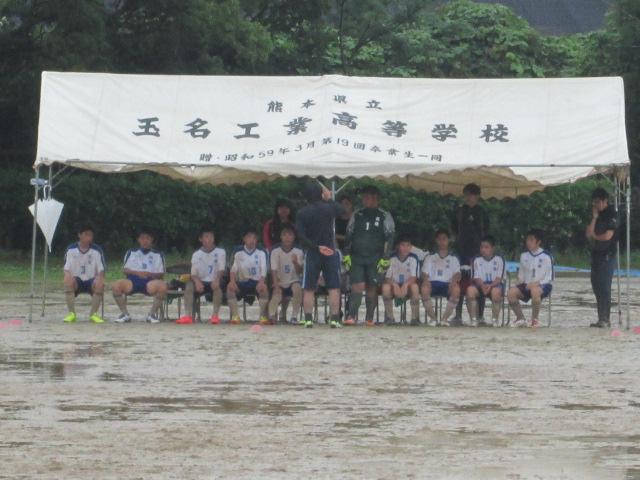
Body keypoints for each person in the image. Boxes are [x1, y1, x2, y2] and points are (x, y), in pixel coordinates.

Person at [296, 180, 346, 328]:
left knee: (309, 288)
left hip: (313, 252)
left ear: (305, 198)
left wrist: (316, 247)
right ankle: (334, 319)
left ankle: (308, 319)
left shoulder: (302, 212)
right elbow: (342, 210)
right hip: (330, 251)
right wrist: (329, 198)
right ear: (320, 194)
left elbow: (301, 236)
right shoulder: (328, 208)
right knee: (333, 287)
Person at [344, 185, 395, 326]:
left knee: (372, 286)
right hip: (357, 256)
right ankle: (351, 315)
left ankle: (369, 317)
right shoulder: (357, 214)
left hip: (375, 257)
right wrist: (346, 254)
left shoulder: (384, 215)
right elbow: (349, 234)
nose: (364, 200)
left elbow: (390, 236)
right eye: (363, 197)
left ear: (375, 198)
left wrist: (386, 257)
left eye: (366, 197)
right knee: (357, 284)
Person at [451, 183, 490, 324]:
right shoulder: (459, 212)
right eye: (466, 194)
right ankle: (458, 315)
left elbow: (487, 232)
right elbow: (454, 230)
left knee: (479, 282)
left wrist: (484, 250)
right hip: (461, 252)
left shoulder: (482, 213)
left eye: (471, 195)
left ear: (477, 196)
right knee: (460, 281)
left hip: (478, 253)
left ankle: (480, 315)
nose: (468, 197)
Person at [111, 228, 167, 323]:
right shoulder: (131, 252)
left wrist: (150, 274)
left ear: (152, 239)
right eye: (142, 238)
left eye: (147, 238)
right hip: (132, 281)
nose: (145, 241)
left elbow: (161, 274)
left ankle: (151, 315)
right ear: (138, 240)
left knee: (163, 287)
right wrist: (137, 273)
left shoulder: (158, 255)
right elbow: (124, 270)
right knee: (116, 285)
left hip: (149, 281)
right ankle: (125, 314)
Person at [176, 227, 227, 325]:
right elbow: (193, 272)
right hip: (202, 280)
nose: (209, 239)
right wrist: (197, 281)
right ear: (201, 239)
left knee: (217, 287)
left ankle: (215, 316)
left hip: (215, 279)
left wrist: (217, 279)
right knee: (189, 286)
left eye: (211, 237)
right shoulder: (196, 254)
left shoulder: (220, 252)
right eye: (206, 237)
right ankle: (188, 315)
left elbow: (221, 269)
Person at [586, 188, 619, 328]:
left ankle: (605, 318)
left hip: (607, 254)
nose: (596, 205)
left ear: (605, 201)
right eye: (594, 202)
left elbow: (607, 236)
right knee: (596, 285)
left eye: (598, 202)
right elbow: (588, 233)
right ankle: (602, 317)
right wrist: (594, 218)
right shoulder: (597, 215)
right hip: (596, 254)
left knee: (604, 286)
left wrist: (596, 236)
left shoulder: (613, 215)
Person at [507, 229, 554, 328]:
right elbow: (522, 274)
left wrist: (537, 283)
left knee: (535, 291)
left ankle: (534, 320)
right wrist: (520, 280)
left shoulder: (546, 256)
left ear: (538, 241)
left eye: (532, 240)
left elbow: (550, 278)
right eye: (527, 239)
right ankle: (520, 318)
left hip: (543, 285)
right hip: (527, 285)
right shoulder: (524, 256)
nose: (529, 242)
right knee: (511, 292)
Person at [62, 223, 106, 323]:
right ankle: (72, 313)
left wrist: (100, 276)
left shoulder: (97, 250)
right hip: (76, 279)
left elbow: (101, 269)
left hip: (91, 279)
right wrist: (67, 275)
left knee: (100, 282)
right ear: (79, 235)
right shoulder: (71, 249)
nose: (89, 237)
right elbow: (66, 268)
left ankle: (93, 314)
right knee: (68, 280)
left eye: (90, 235)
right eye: (86, 235)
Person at [420, 229, 461, 326]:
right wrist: (425, 280)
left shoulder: (454, 258)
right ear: (436, 240)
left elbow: (458, 273)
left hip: (447, 284)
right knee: (424, 289)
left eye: (444, 239)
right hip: (432, 283)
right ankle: (433, 318)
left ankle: (444, 319)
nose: (442, 242)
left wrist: (454, 281)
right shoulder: (430, 256)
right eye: (439, 239)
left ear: (448, 240)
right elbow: (423, 272)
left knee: (456, 290)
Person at [226, 230, 268, 324]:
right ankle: (235, 316)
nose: (251, 240)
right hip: (243, 281)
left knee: (264, 289)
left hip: (256, 281)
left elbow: (263, 269)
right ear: (244, 239)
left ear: (257, 240)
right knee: (230, 289)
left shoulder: (261, 252)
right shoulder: (239, 252)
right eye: (249, 237)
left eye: (254, 237)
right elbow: (233, 269)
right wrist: (232, 281)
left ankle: (262, 316)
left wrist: (261, 282)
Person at [466, 235, 506, 327]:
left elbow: (500, 277)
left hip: (495, 284)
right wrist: (483, 286)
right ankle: (473, 319)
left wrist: (490, 286)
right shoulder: (476, 259)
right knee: (470, 290)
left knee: (496, 291)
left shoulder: (500, 259)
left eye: (486, 247)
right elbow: (475, 276)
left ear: (493, 248)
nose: (483, 249)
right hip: (480, 284)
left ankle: (495, 319)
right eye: (482, 247)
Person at [267, 226, 304, 325]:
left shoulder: (299, 250)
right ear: (281, 237)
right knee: (277, 294)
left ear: (294, 237)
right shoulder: (275, 250)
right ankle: (271, 316)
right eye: (284, 235)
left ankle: (294, 316)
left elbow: (300, 271)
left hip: (293, 280)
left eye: (290, 235)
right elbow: (273, 269)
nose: (287, 237)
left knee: (297, 288)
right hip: (280, 280)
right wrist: (276, 285)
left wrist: (295, 263)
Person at [382, 235, 420, 326]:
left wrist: (405, 285)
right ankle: (389, 318)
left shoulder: (413, 258)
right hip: (394, 284)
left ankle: (415, 318)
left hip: (408, 284)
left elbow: (414, 277)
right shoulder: (391, 257)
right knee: (385, 287)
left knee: (415, 287)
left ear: (411, 247)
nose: (405, 248)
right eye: (403, 245)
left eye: (408, 245)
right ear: (397, 246)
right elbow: (387, 277)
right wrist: (395, 285)